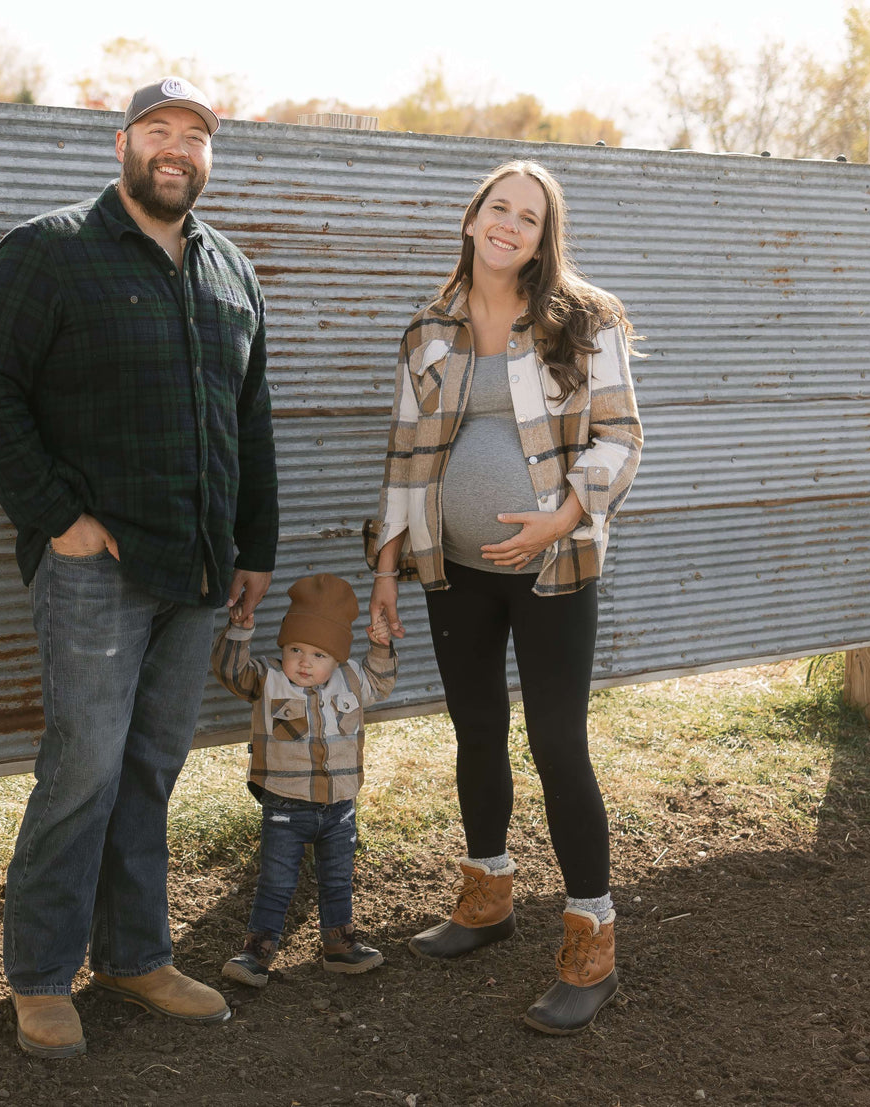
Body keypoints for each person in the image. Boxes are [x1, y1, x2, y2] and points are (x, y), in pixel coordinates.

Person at [0, 76, 279, 1058]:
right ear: (123, 142)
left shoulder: (232, 273)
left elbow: (249, 421)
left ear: (209, 157)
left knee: (151, 766)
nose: (179, 148)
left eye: (198, 136)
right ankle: (43, 977)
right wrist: (61, 520)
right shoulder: (50, 251)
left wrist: (254, 550)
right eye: (160, 130)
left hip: (199, 572)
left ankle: (134, 955)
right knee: (84, 767)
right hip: (97, 571)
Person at [365, 160, 642, 1035]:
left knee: (558, 742)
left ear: (542, 235)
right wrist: (384, 571)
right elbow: (406, 455)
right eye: (498, 207)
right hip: (456, 568)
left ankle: (592, 935)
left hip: (553, 567)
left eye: (529, 216)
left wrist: (557, 520)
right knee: (476, 728)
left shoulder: (583, 322)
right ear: (473, 215)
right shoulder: (429, 330)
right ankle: (486, 895)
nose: (509, 225)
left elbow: (622, 437)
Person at [210, 573, 397, 987]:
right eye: (295, 649)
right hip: (285, 805)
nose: (304, 662)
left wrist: (380, 644)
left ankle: (340, 945)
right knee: (276, 882)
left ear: (337, 657)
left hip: (340, 807)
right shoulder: (267, 679)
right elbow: (229, 670)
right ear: (283, 649)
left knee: (337, 879)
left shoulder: (351, 680)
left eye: (318, 654)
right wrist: (240, 627)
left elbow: (381, 680)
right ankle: (256, 951)